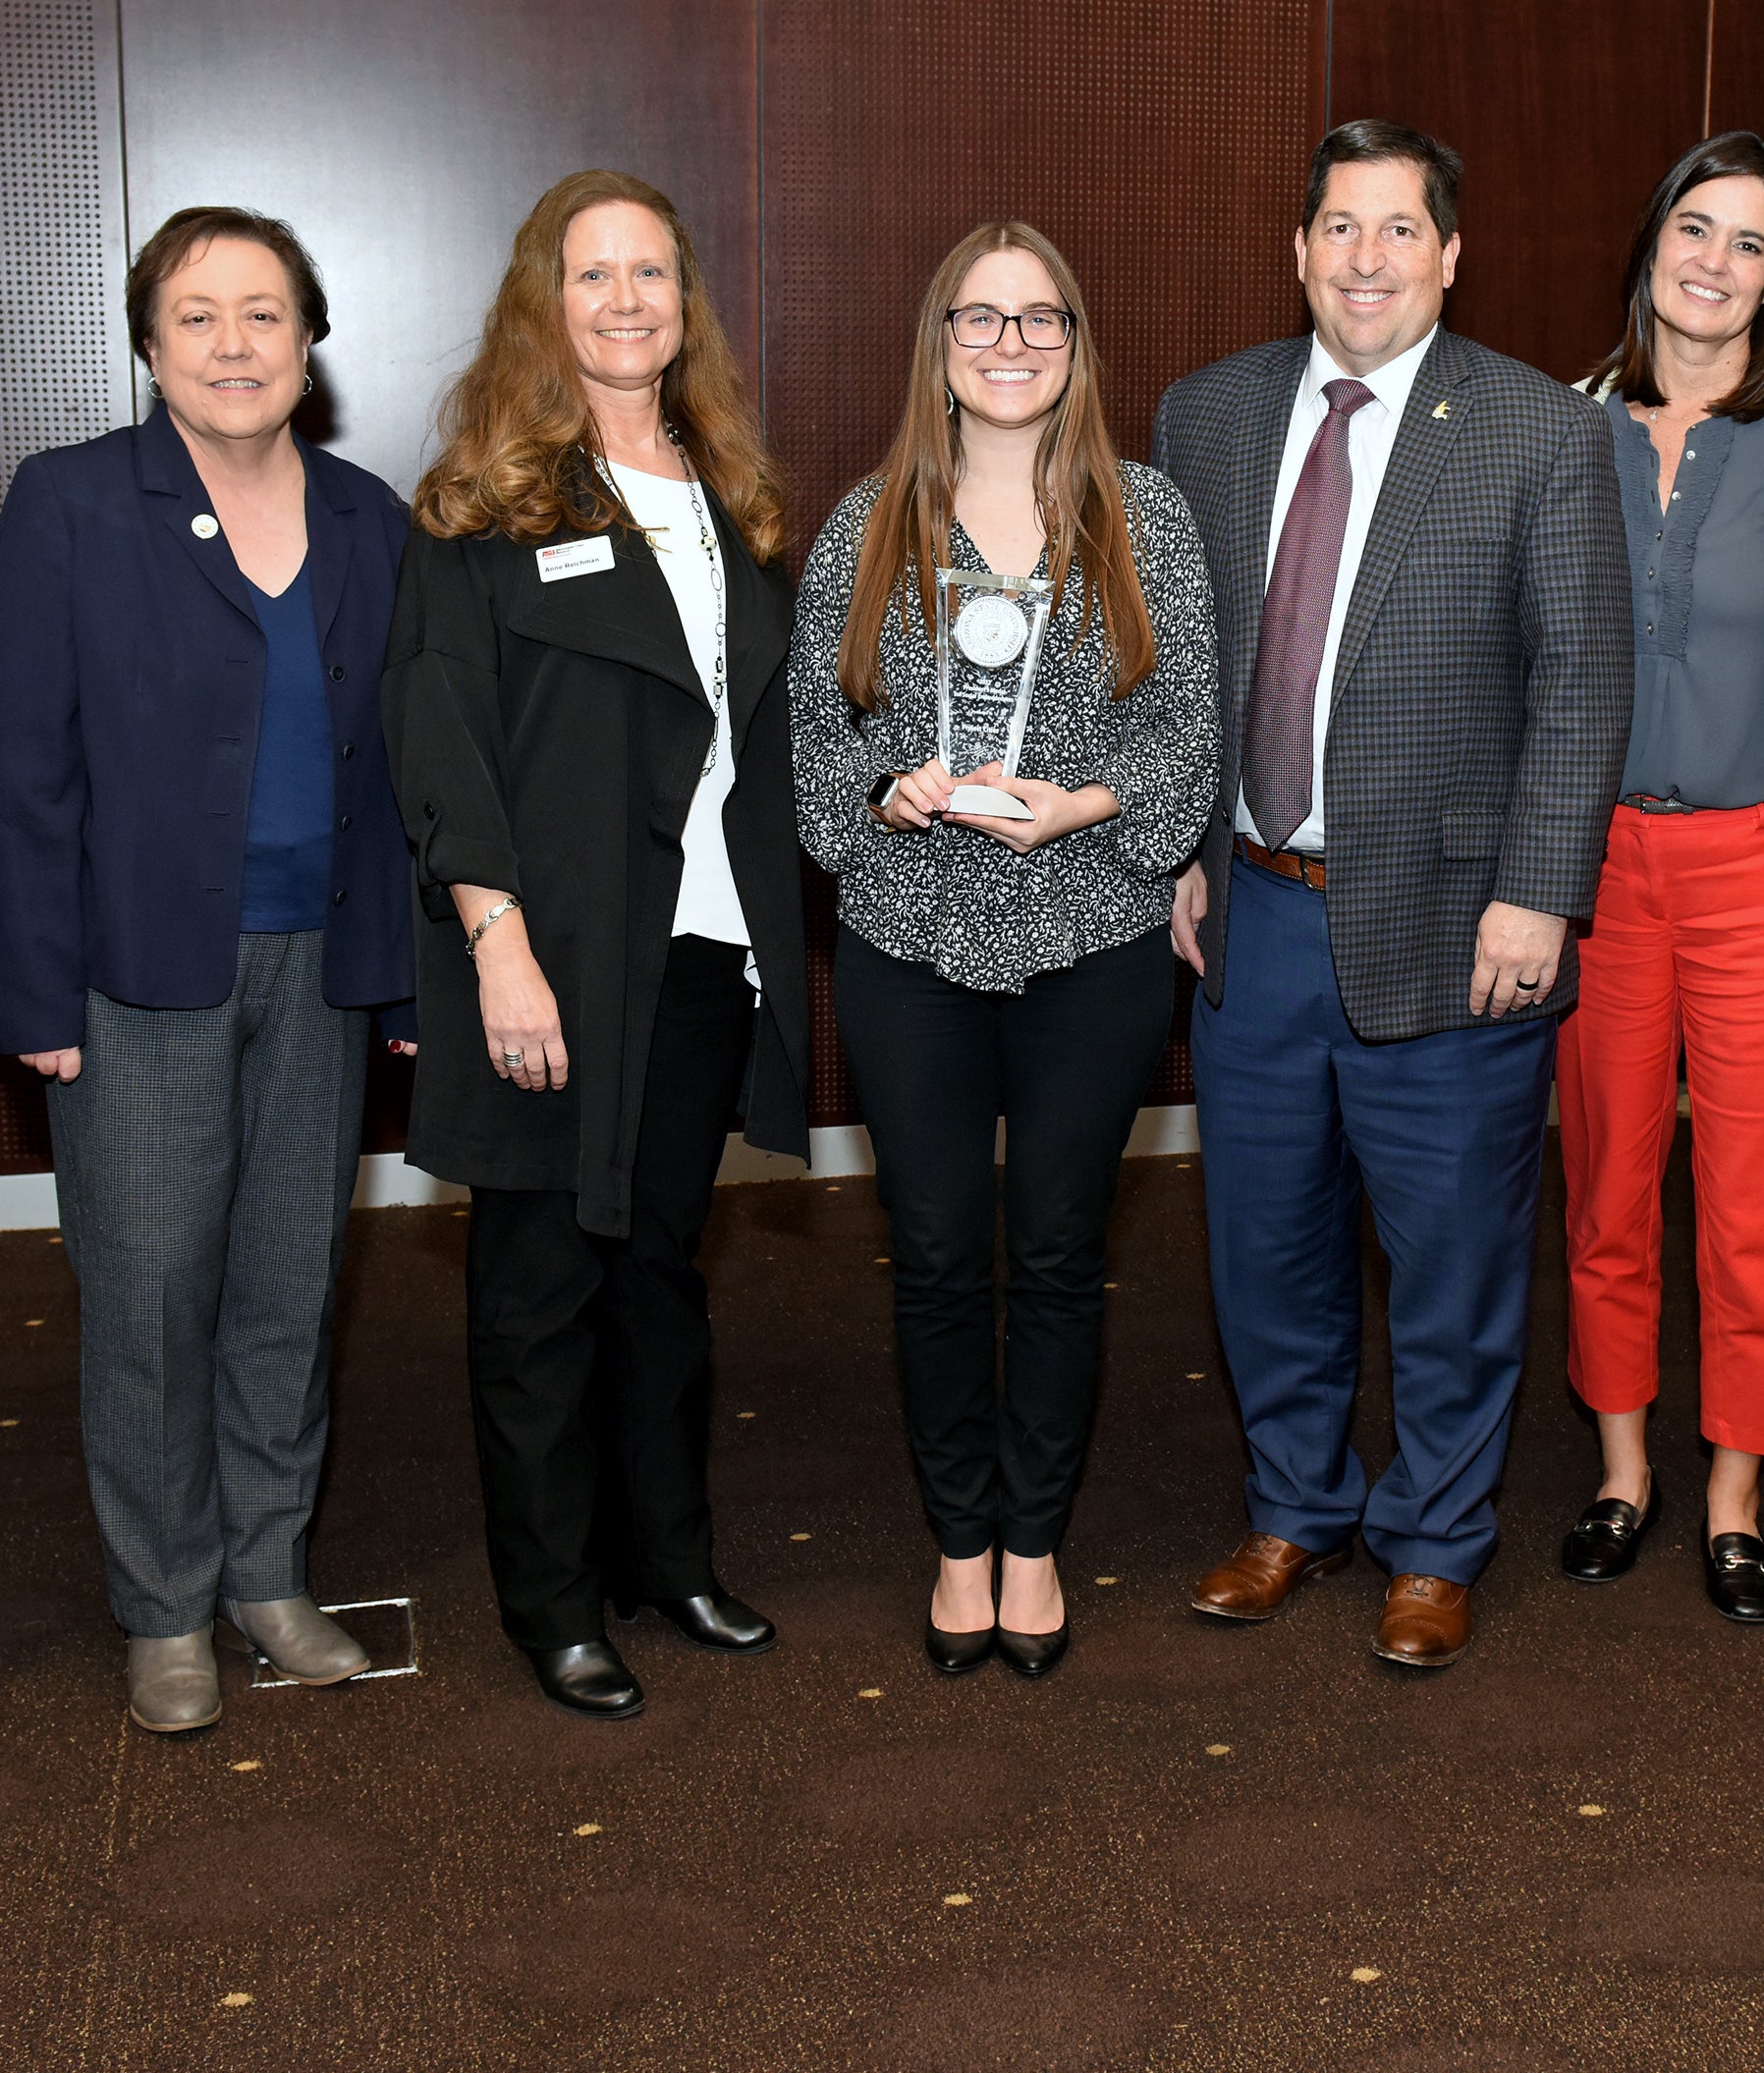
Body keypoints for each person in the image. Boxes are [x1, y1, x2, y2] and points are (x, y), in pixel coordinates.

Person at [1151, 120, 1626, 1669]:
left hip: (1455, 920)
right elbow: (1175, 665)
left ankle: (1435, 1536)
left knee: (1454, 1256)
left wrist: (1541, 896)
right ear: (1297, 251)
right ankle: (1297, 1507)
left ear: (1449, 254)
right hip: (1255, 909)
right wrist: (1180, 852)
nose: (1367, 259)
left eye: (1400, 230)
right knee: (1265, 1242)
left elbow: (1580, 686)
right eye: (1339, 230)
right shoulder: (1205, 416)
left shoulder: (1538, 430)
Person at [0, 207, 413, 1735]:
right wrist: (32, 997)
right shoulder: (75, 504)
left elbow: (406, 770)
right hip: (135, 977)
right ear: (150, 342)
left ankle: (268, 1575)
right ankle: (163, 1603)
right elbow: (14, 771)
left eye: (266, 314)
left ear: (311, 341)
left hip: (323, 965)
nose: (234, 344)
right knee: (152, 1294)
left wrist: (409, 977)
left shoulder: (367, 519)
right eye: (199, 315)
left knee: (290, 1288)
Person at [384, 169, 808, 1720]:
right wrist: (495, 945)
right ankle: (556, 1602)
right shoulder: (486, 505)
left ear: (685, 304)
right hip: (551, 961)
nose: (627, 300)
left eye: (653, 274)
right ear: (541, 303)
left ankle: (668, 1559)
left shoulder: (736, 499)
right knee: (540, 1294)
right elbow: (436, 740)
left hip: (703, 953)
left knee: (661, 1285)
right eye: (593, 274)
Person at [793, 222, 1220, 1681]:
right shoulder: (867, 526)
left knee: (1052, 1255)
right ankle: (956, 1539)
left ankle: (1031, 1544)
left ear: (1077, 345)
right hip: (911, 937)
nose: (1011, 344)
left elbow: (1189, 738)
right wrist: (890, 789)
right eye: (981, 320)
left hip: (1090, 931)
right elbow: (816, 753)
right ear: (940, 346)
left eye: (1041, 320)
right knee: (929, 1258)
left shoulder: (1146, 518)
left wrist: (1090, 802)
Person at [1551, 133, 1764, 1623]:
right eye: (1692, 229)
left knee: (1762, 1198)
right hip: (1598, 865)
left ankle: (1736, 1495)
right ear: (1651, 250)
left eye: (1748, 243)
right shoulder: (1563, 425)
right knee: (1606, 1177)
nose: (1714, 263)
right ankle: (1623, 1471)